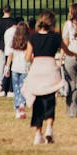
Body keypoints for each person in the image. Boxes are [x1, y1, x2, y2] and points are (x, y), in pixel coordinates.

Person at [23, 11, 62, 144]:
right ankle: (49, 129)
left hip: (37, 68)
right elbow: (66, 50)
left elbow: (27, 57)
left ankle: (38, 134)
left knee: (38, 102)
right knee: (50, 100)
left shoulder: (33, 38)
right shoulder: (56, 37)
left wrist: (36, 57)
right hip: (50, 67)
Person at [6, 21, 31, 120]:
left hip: (15, 68)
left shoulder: (14, 42)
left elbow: (10, 55)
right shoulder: (28, 42)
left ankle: (17, 109)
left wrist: (7, 67)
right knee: (23, 89)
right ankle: (22, 105)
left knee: (16, 90)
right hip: (25, 68)